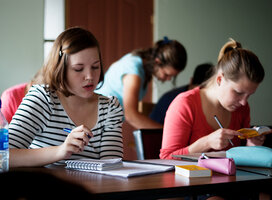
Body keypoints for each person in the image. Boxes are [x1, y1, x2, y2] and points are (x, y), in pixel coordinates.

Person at [9, 27, 123, 167]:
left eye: (95, 67)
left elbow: (111, 167)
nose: (89, 76)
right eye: (78, 69)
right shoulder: (43, 98)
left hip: (93, 189)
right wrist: (61, 151)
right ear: (60, 69)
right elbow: (4, 156)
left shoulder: (110, 107)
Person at [160, 38, 267, 159]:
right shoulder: (185, 104)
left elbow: (240, 159)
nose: (244, 102)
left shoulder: (242, 108)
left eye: (249, 95)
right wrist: (206, 142)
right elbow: (166, 158)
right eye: (238, 92)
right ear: (220, 79)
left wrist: (252, 145)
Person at [96, 37, 187, 129]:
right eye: (166, 74)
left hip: (105, 124)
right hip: (95, 120)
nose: (168, 79)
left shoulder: (142, 69)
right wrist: (166, 131)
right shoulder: (133, 70)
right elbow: (131, 115)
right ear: (157, 62)